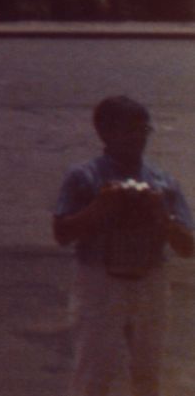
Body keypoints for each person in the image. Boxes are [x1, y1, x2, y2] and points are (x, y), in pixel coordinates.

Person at [54, 96, 194, 396]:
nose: (137, 138)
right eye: (129, 130)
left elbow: (188, 247)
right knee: (93, 374)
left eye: (143, 130)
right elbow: (62, 233)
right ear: (106, 133)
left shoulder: (162, 182)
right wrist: (99, 208)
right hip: (100, 280)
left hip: (150, 280)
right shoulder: (85, 177)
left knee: (148, 373)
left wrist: (163, 218)